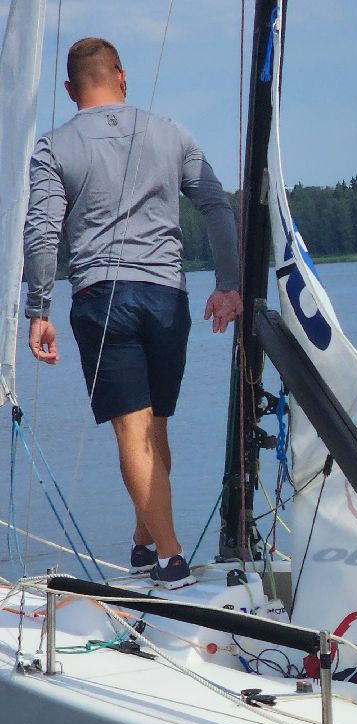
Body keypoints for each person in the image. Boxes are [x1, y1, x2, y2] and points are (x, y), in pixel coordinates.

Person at [23, 37, 241, 590]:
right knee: (154, 425)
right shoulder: (173, 133)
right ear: (121, 77)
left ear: (70, 89)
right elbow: (216, 203)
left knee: (131, 427)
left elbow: (44, 231)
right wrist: (228, 284)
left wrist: (39, 308)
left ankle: (170, 559)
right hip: (168, 295)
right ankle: (145, 544)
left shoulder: (54, 148)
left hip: (102, 297)